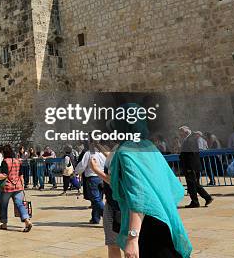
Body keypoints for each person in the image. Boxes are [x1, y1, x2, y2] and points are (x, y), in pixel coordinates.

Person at [110, 109, 193, 258]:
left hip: (146, 226)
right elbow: (168, 184)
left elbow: (139, 195)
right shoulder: (149, 147)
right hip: (163, 217)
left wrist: (133, 237)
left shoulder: (125, 151)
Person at [0, 144, 32, 232]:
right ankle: (27, 221)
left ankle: (4, 224)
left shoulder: (5, 161)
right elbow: (21, 175)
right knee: (20, 204)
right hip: (18, 186)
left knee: (4, 205)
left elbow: (4, 175)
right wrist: (22, 186)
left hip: (7, 187)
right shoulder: (17, 161)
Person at [89, 145, 122, 258]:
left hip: (122, 206)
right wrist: (97, 145)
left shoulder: (128, 147)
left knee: (129, 245)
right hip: (111, 203)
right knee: (112, 244)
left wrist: (96, 170)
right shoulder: (118, 147)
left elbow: (118, 182)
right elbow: (113, 159)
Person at [179, 126, 213, 208]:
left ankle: (202, 199)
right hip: (191, 166)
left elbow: (192, 155)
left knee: (192, 184)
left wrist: (189, 167)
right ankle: (200, 200)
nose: (180, 135)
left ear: (185, 132)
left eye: (181, 132)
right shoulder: (190, 139)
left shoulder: (190, 139)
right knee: (193, 184)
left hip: (191, 166)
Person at [75, 142, 106, 224]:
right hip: (103, 177)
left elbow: (82, 165)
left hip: (93, 178)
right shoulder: (104, 153)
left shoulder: (89, 153)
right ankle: (95, 218)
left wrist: (75, 172)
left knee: (96, 200)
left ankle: (107, 216)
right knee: (98, 199)